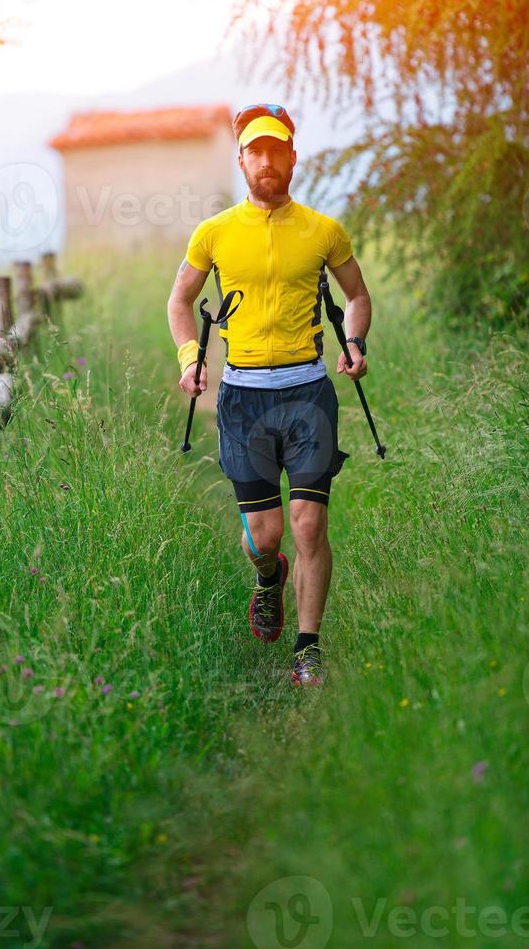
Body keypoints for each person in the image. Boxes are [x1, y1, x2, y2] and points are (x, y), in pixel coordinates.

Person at [166, 103, 372, 686]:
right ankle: (266, 576)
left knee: (309, 524)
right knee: (268, 536)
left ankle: (308, 648)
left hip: (309, 390)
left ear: (292, 158)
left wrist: (354, 341)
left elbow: (357, 296)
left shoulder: (323, 231)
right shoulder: (214, 233)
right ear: (241, 161)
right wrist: (191, 357)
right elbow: (179, 302)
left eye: (275, 150)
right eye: (254, 152)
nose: (266, 161)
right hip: (243, 399)